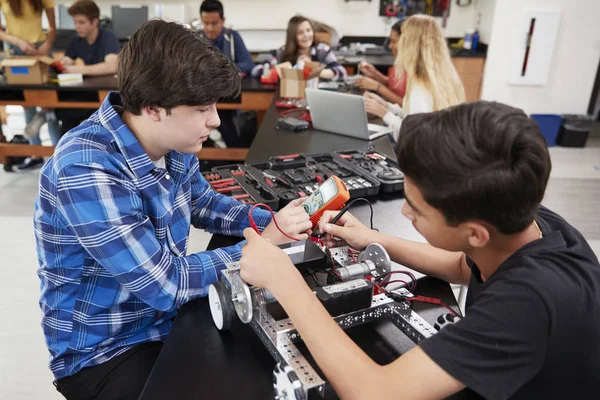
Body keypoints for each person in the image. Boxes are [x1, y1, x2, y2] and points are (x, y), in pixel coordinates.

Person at [239, 101, 600, 399]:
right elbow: (464, 265)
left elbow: (374, 393)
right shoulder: (525, 220)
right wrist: (374, 240)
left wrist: (285, 281)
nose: (404, 211)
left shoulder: (527, 305)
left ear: (475, 233)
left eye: (417, 208)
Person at [34, 20, 312, 400]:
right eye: (202, 109)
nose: (214, 120)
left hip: (164, 319)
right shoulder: (84, 167)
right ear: (153, 108)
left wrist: (282, 222)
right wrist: (260, 247)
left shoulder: (173, 144)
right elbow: (166, 283)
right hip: (107, 351)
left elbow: (205, 203)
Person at [363, 15, 464, 141]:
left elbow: (412, 138)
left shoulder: (420, 90)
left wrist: (384, 114)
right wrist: (388, 107)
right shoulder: (443, 78)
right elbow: (414, 118)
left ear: (410, 45)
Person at [0, 0, 61, 169]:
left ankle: (57, 154)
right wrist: (18, 42)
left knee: (49, 103)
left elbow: (52, 27)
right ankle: (36, 154)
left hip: (40, 48)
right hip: (15, 51)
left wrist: (47, 45)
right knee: (27, 103)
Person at [53, 0, 119, 135]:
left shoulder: (108, 37)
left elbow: (112, 66)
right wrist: (66, 62)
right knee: (63, 112)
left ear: (95, 22)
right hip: (84, 92)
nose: (77, 26)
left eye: (81, 22)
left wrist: (77, 69)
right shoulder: (76, 39)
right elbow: (68, 60)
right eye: (75, 22)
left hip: (104, 95)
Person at [355, 19, 406, 105]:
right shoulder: (400, 62)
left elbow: (407, 106)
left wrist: (377, 87)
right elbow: (395, 85)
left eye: (394, 41)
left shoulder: (418, 69)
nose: (390, 46)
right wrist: (375, 74)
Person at [281, 15, 347, 81]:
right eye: (300, 32)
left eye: (308, 30)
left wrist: (313, 71)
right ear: (292, 36)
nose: (306, 35)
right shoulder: (283, 51)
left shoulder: (322, 49)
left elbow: (342, 73)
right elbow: (271, 66)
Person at [198, 0, 254, 75]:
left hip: (228, 84)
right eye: (206, 23)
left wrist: (224, 69)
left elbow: (248, 64)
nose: (210, 28)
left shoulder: (233, 37)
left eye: (214, 23)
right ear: (201, 20)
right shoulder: (195, 39)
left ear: (223, 20)